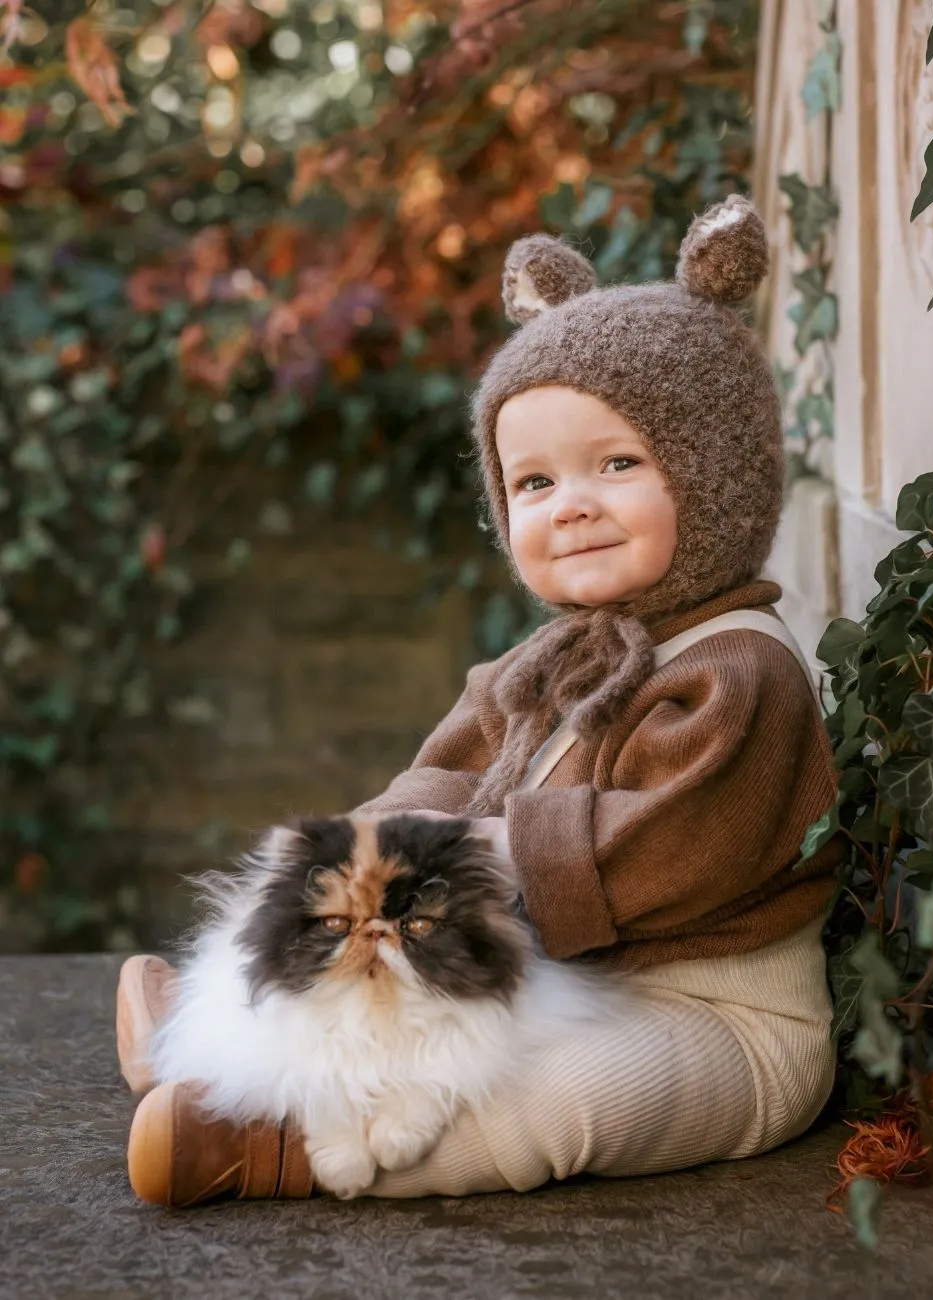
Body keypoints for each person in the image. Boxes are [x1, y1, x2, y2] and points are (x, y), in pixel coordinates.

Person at [119, 193, 842, 1208]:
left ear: (718, 476)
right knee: (398, 997)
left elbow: (685, 841)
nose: (571, 503)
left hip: (711, 1014)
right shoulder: (545, 660)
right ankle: (221, 1026)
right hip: (554, 978)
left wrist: (491, 852)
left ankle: (260, 1144)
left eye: (618, 464)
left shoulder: (738, 671)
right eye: (534, 483)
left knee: (561, 1097)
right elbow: (445, 771)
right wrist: (373, 849)